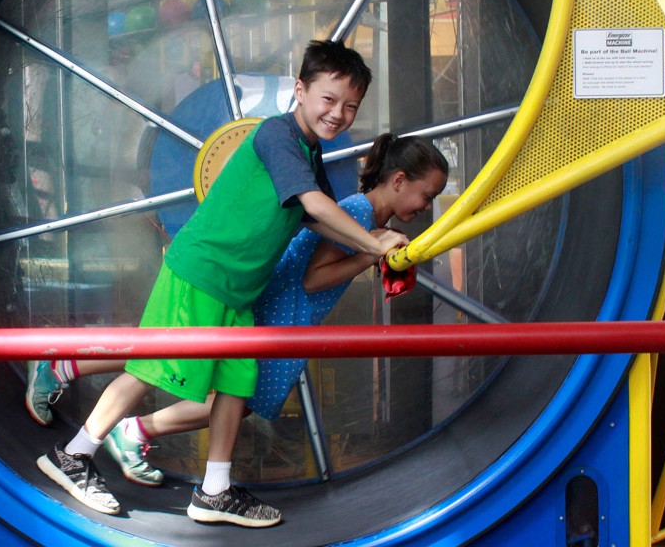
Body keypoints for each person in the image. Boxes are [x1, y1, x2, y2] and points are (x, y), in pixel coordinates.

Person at [36, 40, 408, 528]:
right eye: (328, 99)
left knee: (235, 386)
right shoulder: (276, 135)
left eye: (350, 107)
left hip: (239, 289)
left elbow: (314, 220)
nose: (338, 114)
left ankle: (213, 491)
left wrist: (371, 241)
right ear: (300, 91)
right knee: (149, 369)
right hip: (203, 272)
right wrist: (376, 246)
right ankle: (73, 455)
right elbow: (316, 208)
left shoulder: (308, 152)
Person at [27, 133, 449, 487]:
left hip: (279, 308)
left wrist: (375, 248)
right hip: (281, 311)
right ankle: (128, 426)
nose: (426, 206)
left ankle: (88, 390)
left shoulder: (364, 214)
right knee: (212, 381)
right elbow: (314, 278)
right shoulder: (357, 210)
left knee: (175, 354)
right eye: (426, 195)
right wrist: (370, 253)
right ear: (398, 180)